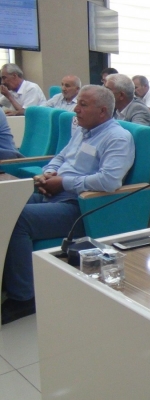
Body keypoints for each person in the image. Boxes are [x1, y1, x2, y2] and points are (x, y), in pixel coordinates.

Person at [1, 85, 135, 325]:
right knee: (5, 205)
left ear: (102, 111)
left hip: (80, 206)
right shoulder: (83, 131)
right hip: (55, 192)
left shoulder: (118, 138)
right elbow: (61, 157)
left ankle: (24, 297)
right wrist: (49, 173)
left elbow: (109, 181)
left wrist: (63, 182)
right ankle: (7, 277)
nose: (76, 109)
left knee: (18, 219)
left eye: (83, 105)